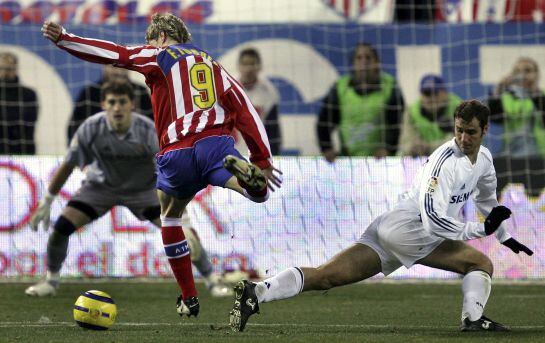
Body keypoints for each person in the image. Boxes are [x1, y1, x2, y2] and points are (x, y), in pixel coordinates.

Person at [41, 13, 282, 318]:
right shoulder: (213, 64)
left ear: (162, 36)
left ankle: (189, 296)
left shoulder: (159, 55)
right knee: (254, 191)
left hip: (176, 151)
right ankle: (248, 184)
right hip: (215, 143)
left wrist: (65, 38)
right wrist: (263, 159)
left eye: (150, 38)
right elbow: (245, 108)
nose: (147, 43)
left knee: (170, 215)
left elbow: (114, 53)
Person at [230, 100, 534, 332]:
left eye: (470, 132)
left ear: (484, 130)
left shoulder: (484, 160)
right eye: (459, 131)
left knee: (327, 277)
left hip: (391, 229)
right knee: (480, 263)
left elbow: (487, 200)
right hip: (412, 230)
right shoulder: (443, 164)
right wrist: (479, 231)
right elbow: (432, 220)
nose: (463, 138)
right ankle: (473, 319)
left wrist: (505, 236)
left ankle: (258, 291)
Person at [25, 81, 232, 299]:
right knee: (61, 227)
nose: (117, 108)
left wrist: (185, 220)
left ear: (131, 104)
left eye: (122, 102)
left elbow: (169, 172)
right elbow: (68, 164)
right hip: (100, 187)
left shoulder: (148, 131)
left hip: (143, 192)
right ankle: (50, 280)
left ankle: (211, 280)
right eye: (112, 102)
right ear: (104, 104)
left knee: (182, 233)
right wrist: (47, 200)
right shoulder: (90, 128)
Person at [317, 42, 405, 161]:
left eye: (368, 57)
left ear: (376, 63)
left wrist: (387, 149)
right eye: (359, 58)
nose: (364, 61)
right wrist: (327, 149)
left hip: (382, 160)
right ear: (353, 64)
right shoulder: (340, 88)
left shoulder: (390, 86)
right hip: (348, 161)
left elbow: (397, 123)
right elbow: (324, 123)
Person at [68, 64, 153, 142]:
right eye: (113, 65)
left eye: (121, 65)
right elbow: (74, 129)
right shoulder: (90, 93)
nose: (117, 70)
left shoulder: (140, 92)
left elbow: (153, 126)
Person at [488, 57, 545, 158]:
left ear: (537, 74)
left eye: (527, 70)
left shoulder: (542, 96)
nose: (522, 75)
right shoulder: (507, 98)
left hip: (539, 155)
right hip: (512, 156)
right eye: (518, 71)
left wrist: (534, 92)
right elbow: (493, 117)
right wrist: (499, 90)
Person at [399, 74, 462, 156]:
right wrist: (413, 146)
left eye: (435, 93)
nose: (430, 98)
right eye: (426, 93)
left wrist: (428, 148)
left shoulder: (459, 108)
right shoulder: (411, 111)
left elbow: (461, 142)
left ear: (444, 93)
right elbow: (405, 142)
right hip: (421, 161)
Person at [237, 48, 281, 155]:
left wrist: (272, 156)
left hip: (257, 155)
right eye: (245, 64)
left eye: (252, 64)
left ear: (259, 67)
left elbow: (273, 130)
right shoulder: (229, 88)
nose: (248, 68)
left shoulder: (269, 92)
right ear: (239, 66)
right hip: (232, 152)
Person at [0, 52, 39, 154]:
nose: (4, 73)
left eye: (8, 69)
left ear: (15, 69)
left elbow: (27, 122)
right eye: (1, 68)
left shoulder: (28, 94)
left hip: (23, 151)